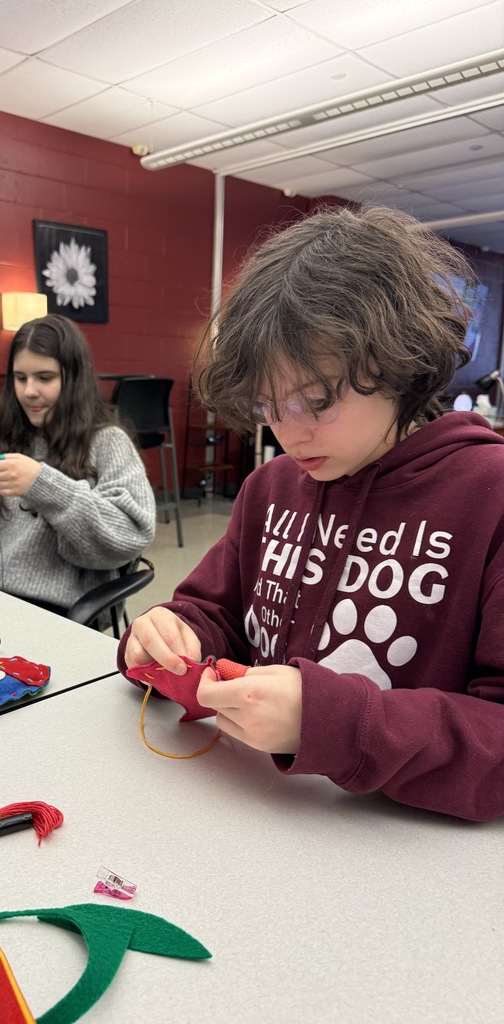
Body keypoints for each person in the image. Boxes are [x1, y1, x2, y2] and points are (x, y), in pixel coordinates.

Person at [118, 204, 504, 823]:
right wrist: (170, 633)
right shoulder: (271, 489)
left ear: (401, 362)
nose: (288, 434)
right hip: (260, 810)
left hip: (400, 849)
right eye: (268, 405)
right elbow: (213, 611)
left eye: (318, 400)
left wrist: (335, 723)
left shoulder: (490, 497)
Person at [0, 314, 156, 613]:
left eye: (45, 378)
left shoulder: (108, 443)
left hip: (53, 611)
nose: (29, 392)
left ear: (73, 379)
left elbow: (130, 538)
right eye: (20, 378)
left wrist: (43, 485)